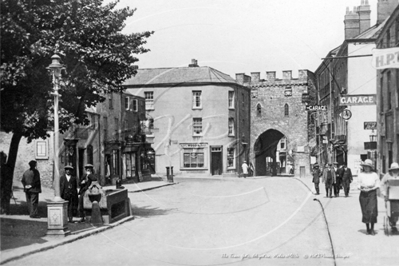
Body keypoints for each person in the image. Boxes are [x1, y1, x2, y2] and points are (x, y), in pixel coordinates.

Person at [358, 159, 380, 235]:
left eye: (368, 167)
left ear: (371, 167)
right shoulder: (361, 174)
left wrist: (371, 188)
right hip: (363, 193)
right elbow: (358, 184)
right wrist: (361, 188)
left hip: (372, 193)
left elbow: (377, 184)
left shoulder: (374, 175)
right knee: (365, 211)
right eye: (365, 166)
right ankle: (367, 228)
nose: (366, 168)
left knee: (372, 211)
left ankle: (372, 228)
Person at [380, 162, 399, 232]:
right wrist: (383, 193)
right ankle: (392, 224)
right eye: (393, 169)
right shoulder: (387, 175)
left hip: (398, 196)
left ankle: (395, 222)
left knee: (397, 211)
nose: (395, 170)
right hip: (389, 196)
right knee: (390, 211)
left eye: (396, 169)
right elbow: (381, 184)